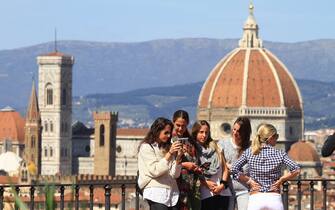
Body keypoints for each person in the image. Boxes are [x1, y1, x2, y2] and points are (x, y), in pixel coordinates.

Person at [231, 124, 300, 210]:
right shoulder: (280, 153)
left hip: (255, 198)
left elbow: (233, 169)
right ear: (270, 137)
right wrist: (281, 180)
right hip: (274, 197)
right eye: (276, 136)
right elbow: (296, 170)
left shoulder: (249, 152)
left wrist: (249, 181)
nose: (277, 139)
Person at [138, 117, 183, 210]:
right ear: (157, 131)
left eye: (169, 133)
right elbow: (155, 170)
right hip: (156, 192)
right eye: (166, 133)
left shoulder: (166, 148)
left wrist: (178, 158)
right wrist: (170, 153)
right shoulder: (146, 147)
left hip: (172, 193)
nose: (168, 135)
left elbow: (175, 174)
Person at [193, 120, 232, 210]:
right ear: (195, 132)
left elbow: (225, 169)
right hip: (205, 193)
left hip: (222, 192)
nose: (204, 135)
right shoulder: (193, 149)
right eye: (201, 132)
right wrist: (205, 183)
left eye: (206, 132)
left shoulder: (217, 147)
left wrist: (222, 185)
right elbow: (193, 172)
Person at [220, 117, 251, 210]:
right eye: (234, 129)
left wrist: (230, 167)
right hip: (226, 190)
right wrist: (231, 168)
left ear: (245, 133)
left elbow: (247, 170)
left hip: (244, 190)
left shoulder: (250, 148)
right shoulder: (222, 144)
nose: (235, 133)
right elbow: (221, 167)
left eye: (238, 131)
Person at [172, 110, 201, 210]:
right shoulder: (169, 140)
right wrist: (185, 165)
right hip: (175, 186)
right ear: (173, 122)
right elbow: (168, 162)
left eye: (183, 126)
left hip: (191, 186)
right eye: (178, 125)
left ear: (187, 124)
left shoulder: (190, 141)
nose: (180, 128)